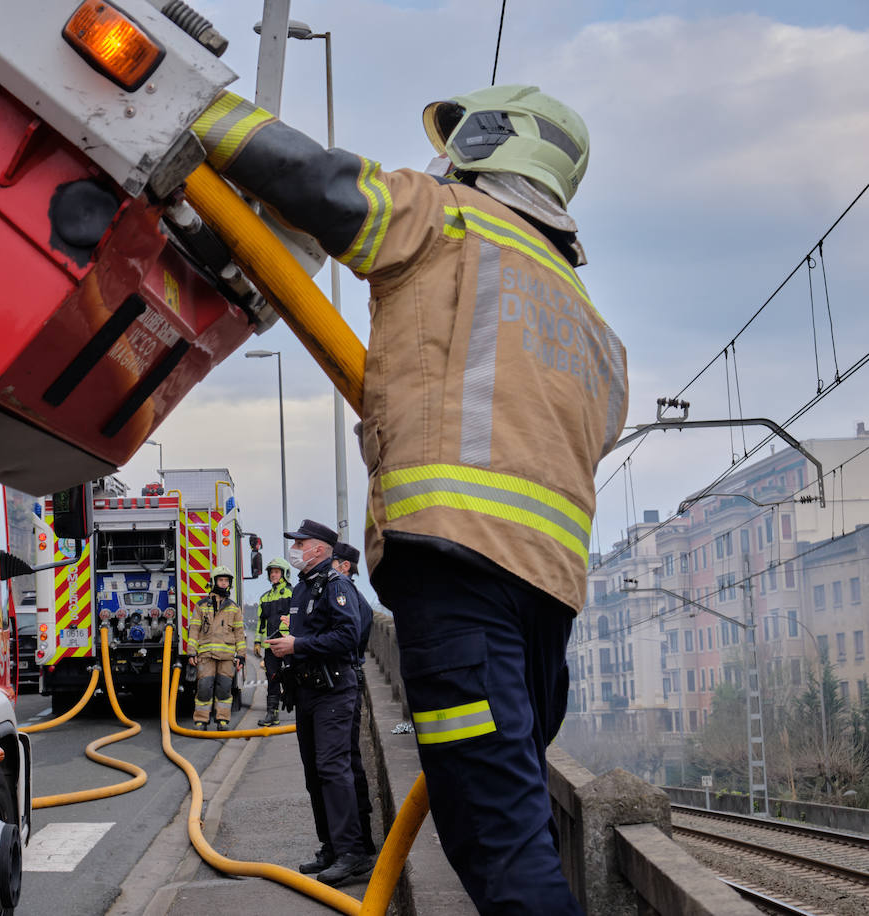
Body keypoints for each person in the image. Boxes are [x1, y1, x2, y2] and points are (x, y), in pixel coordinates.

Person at [193, 84, 627, 913]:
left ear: (487, 148)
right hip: (547, 607)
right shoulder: (591, 325)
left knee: (500, 845)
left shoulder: (450, 216)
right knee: (515, 817)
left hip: (453, 580)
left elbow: (327, 187)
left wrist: (193, 111)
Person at [268, 519, 371, 886]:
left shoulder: (336, 585)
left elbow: (348, 634)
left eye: (302, 543)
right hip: (307, 691)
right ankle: (330, 847)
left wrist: (298, 646)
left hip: (334, 690)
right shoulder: (303, 588)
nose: (295, 549)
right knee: (315, 773)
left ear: (320, 550)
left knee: (333, 769)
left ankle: (352, 853)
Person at [331, 542, 375, 858]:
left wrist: (350, 658)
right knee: (349, 760)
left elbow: (359, 629)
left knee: (348, 761)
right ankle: (361, 838)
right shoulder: (351, 595)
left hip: (346, 679)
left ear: (344, 565)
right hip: (351, 673)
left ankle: (361, 841)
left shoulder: (348, 594)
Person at [187, 564, 245, 730]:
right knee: (204, 688)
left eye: (226, 581)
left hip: (227, 657)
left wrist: (241, 656)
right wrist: (191, 652)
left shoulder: (234, 608)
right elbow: (194, 630)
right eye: (221, 580)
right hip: (206, 655)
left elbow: (239, 634)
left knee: (224, 689)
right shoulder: (201, 606)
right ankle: (201, 720)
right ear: (214, 582)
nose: (224, 583)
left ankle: (222, 720)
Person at [254, 556, 293, 727]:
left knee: (294, 676)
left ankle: (303, 712)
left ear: (284, 574)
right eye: (271, 572)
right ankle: (272, 714)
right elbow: (260, 623)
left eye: (277, 572)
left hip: (288, 643)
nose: (273, 575)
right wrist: (257, 642)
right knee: (272, 678)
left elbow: (299, 617)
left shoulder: (294, 593)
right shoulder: (264, 598)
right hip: (271, 645)